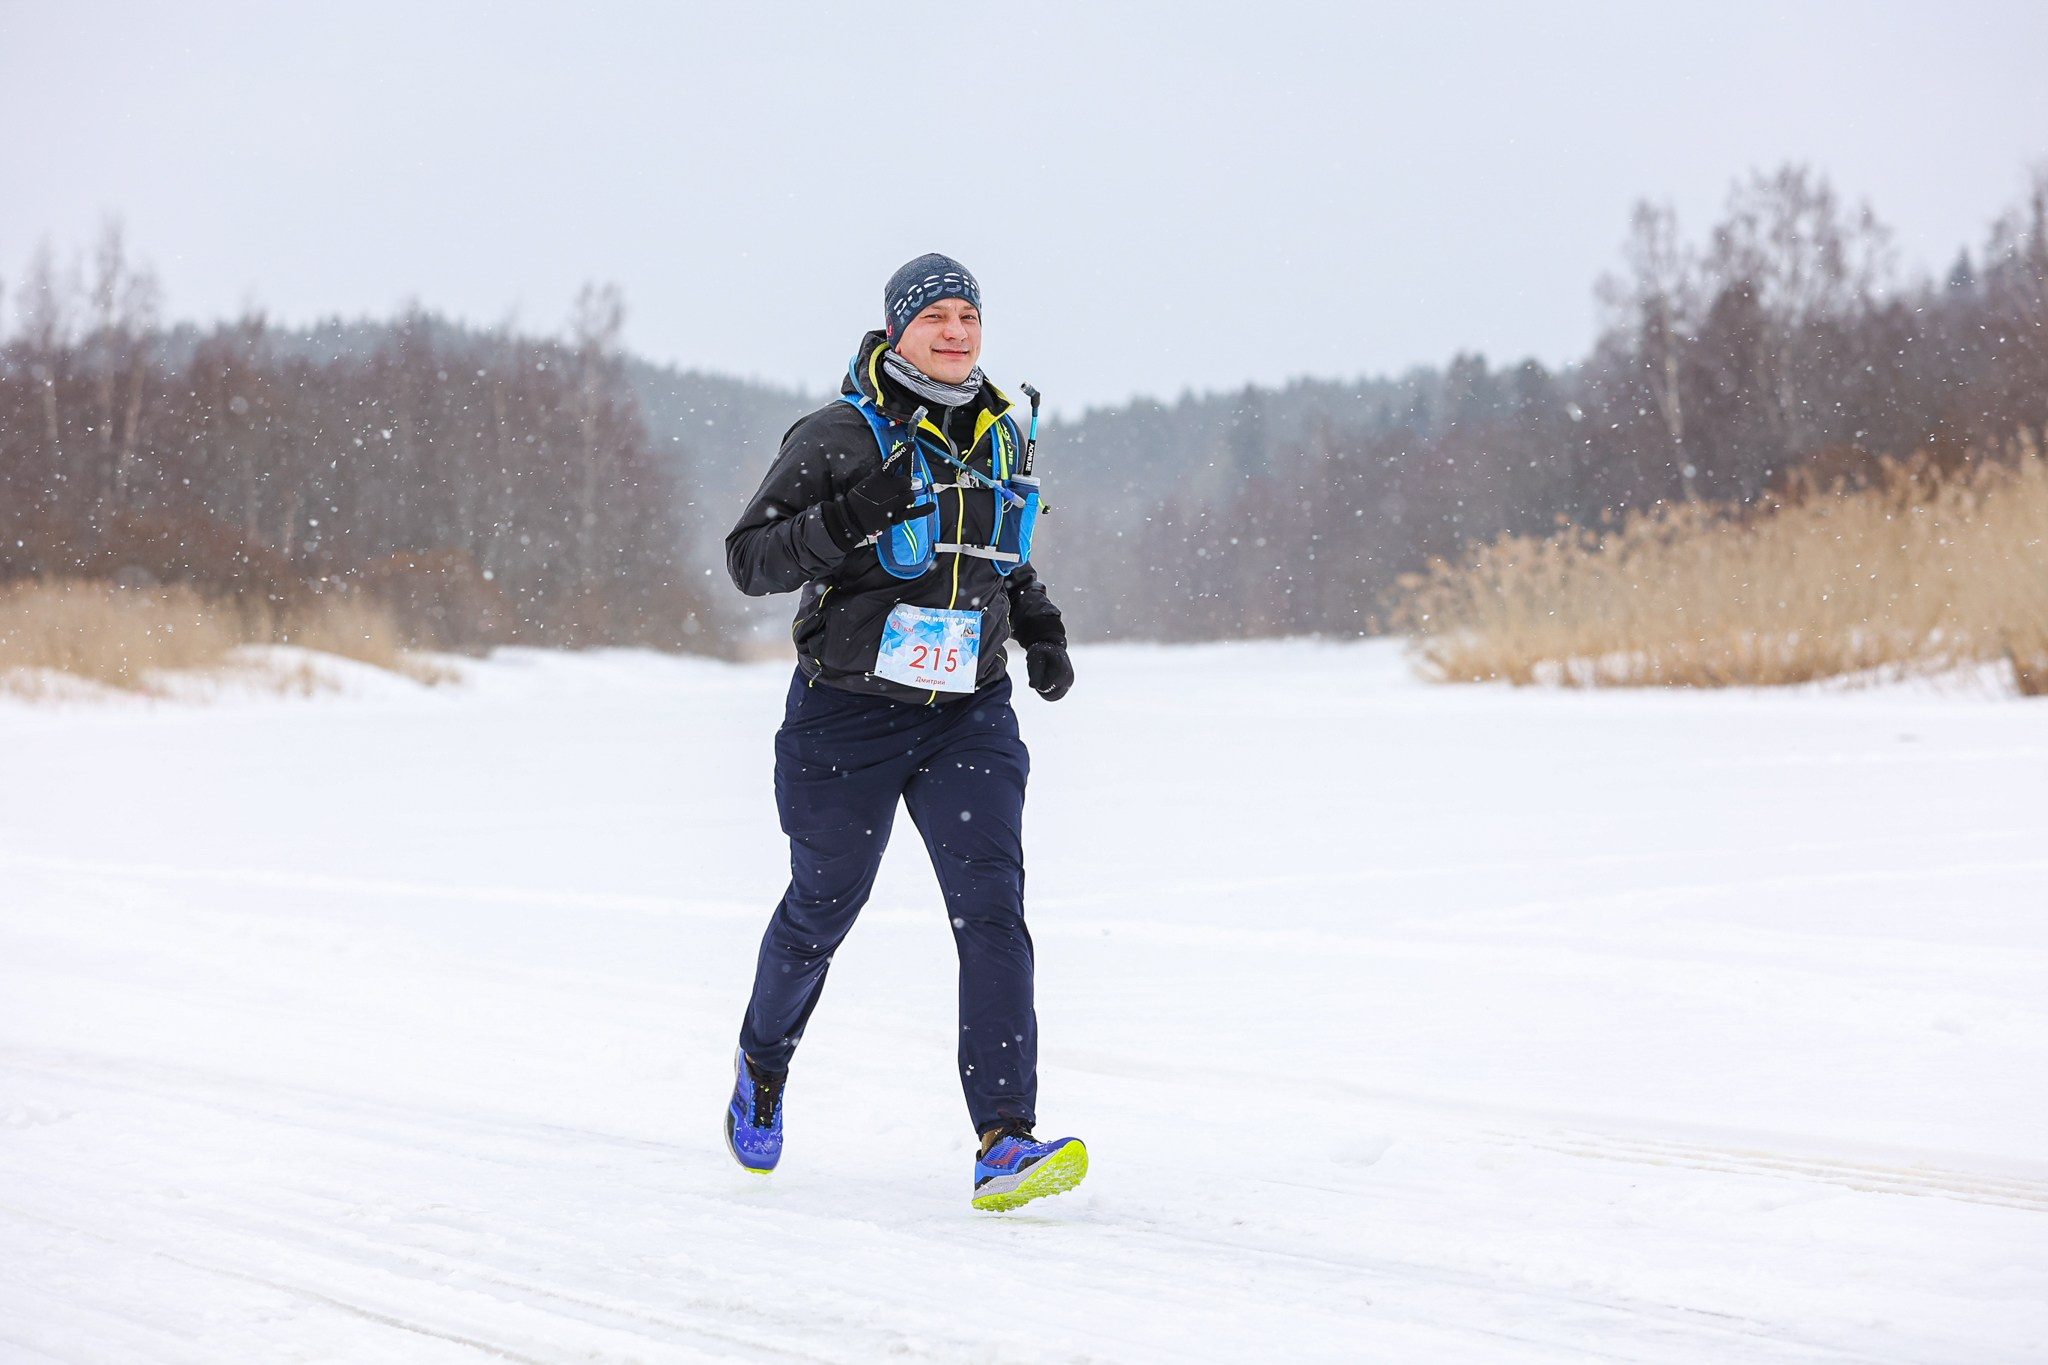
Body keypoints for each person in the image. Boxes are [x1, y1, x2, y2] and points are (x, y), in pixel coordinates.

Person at [722, 253, 1085, 1211]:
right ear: (897, 332)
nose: (957, 331)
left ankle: (1005, 1139)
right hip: (848, 716)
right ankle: (762, 1066)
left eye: (970, 314)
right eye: (938, 318)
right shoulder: (841, 434)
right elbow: (750, 559)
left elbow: (997, 553)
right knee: (821, 910)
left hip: (969, 710)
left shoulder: (1002, 433)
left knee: (992, 910)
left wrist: (1038, 625)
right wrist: (850, 514)